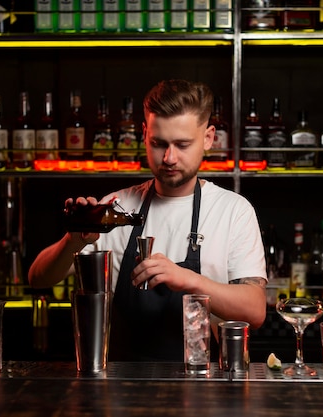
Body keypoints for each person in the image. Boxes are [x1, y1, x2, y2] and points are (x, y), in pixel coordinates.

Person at [29, 79, 267, 361]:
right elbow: (38, 278)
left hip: (204, 390)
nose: (169, 157)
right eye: (159, 143)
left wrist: (186, 279)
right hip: (120, 389)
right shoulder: (117, 206)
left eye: (182, 145)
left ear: (208, 138)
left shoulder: (232, 211)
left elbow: (255, 310)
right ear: (144, 134)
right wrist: (74, 239)